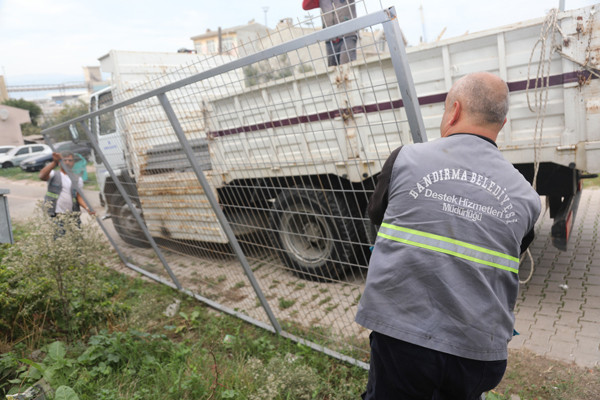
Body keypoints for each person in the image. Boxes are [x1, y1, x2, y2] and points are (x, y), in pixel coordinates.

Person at [355, 72, 541, 399]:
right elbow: (514, 247)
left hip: (404, 341)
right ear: (501, 123)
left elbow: (378, 216)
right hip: (479, 353)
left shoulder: (404, 159)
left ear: (453, 111)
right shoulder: (526, 197)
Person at [39, 151, 95, 219]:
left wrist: (87, 208)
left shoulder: (78, 179)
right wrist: (54, 162)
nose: (67, 162)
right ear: (59, 162)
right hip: (55, 215)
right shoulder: (53, 174)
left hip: (72, 216)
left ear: (73, 162)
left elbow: (78, 196)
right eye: (64, 160)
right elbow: (42, 176)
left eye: (70, 160)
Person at [302, 0, 358, 66]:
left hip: (347, 36)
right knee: (333, 69)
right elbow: (305, 6)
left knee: (347, 66)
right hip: (330, 40)